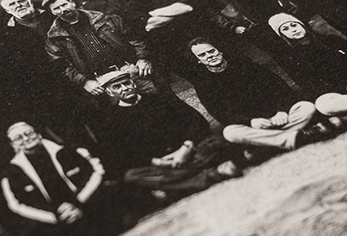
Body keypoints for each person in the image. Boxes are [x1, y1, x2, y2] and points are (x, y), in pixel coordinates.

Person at [93, 70, 240, 202]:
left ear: (133, 82)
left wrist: (185, 148)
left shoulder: (159, 99)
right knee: (132, 176)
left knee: (217, 140)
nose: (125, 88)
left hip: (190, 151)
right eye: (117, 87)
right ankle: (210, 174)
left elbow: (197, 121)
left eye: (126, 83)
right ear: (110, 93)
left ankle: (174, 187)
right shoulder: (112, 119)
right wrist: (160, 162)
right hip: (162, 164)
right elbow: (126, 153)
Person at [0, 122, 119, 236]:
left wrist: (78, 203)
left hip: (83, 204)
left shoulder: (66, 150)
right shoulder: (12, 172)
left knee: (110, 196)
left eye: (29, 133)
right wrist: (55, 216)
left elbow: (96, 172)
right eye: (18, 138)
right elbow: (17, 204)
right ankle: (98, 234)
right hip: (56, 218)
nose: (26, 139)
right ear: (13, 145)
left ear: (38, 134)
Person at [42, 0, 156, 96]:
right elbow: (61, 66)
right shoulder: (54, 38)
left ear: (72, 2)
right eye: (56, 8)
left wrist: (142, 58)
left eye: (64, 4)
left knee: (157, 101)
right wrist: (84, 82)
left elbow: (134, 38)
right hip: (99, 82)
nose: (63, 9)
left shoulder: (106, 19)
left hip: (130, 70)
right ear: (52, 12)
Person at [117, 0, 222, 77]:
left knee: (218, 68)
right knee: (196, 78)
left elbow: (187, 7)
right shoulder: (132, 6)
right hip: (171, 48)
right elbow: (151, 24)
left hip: (197, 36)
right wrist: (175, 11)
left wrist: (155, 13)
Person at [184, 38, 298, 128]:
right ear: (198, 60)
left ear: (220, 51)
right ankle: (294, 134)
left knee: (305, 107)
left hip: (279, 115)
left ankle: (270, 142)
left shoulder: (245, 65)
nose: (209, 56)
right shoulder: (203, 83)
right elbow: (220, 113)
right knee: (231, 133)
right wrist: (250, 122)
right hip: (253, 125)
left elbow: (280, 87)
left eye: (211, 51)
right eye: (202, 55)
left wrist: (282, 110)